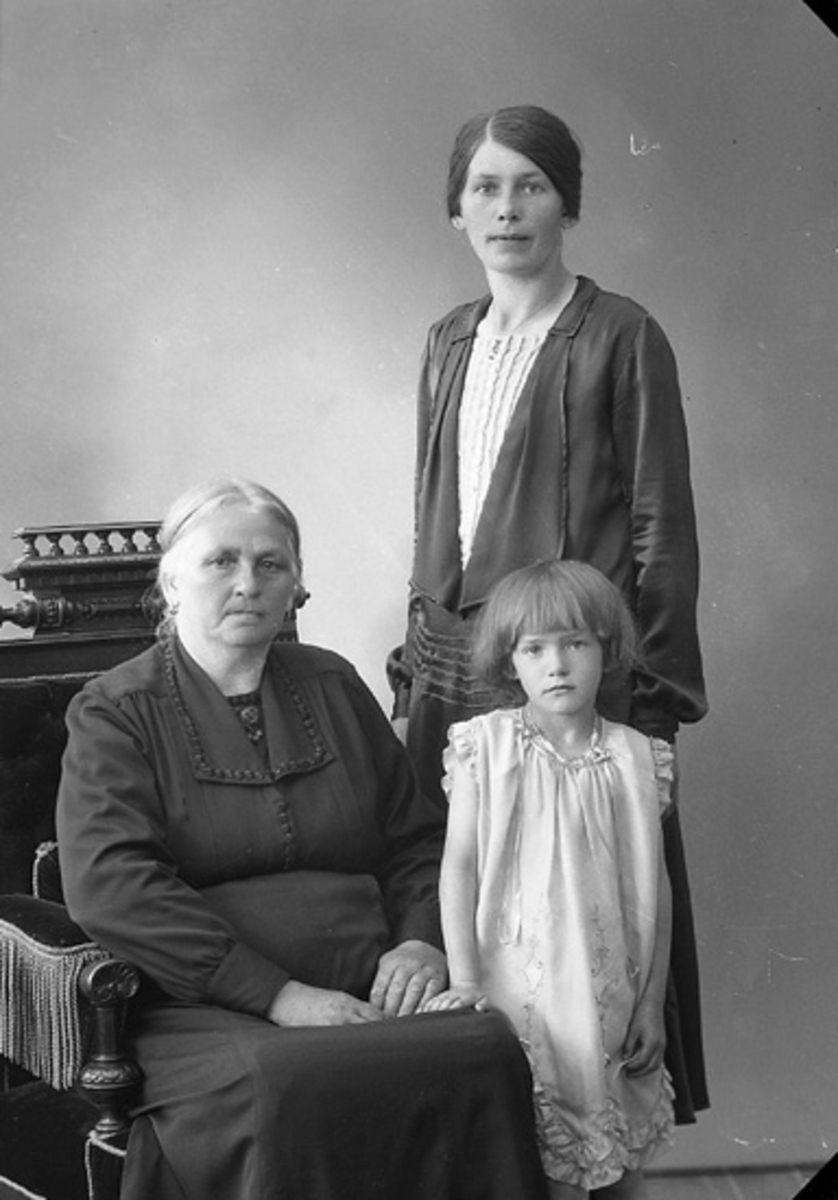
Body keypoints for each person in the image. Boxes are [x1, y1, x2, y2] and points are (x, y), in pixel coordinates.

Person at [57, 477, 549, 1200]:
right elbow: (112, 886)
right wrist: (279, 996)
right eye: (221, 561)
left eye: (271, 564)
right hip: (206, 1012)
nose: (248, 584)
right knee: (286, 1079)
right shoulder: (115, 713)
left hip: (375, 986)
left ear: (295, 585)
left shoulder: (332, 683)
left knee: (485, 1048)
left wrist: (420, 942)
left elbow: (416, 840)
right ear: (171, 582)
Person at [389, 103, 709, 1125]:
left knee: (581, 940)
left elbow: (661, 528)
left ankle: (594, 1152)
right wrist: (413, 672)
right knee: (466, 927)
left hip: (569, 682)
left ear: (566, 203)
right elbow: (433, 516)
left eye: (530, 185)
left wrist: (649, 698)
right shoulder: (448, 340)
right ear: (456, 210)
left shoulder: (620, 335)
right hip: (453, 674)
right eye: (485, 187)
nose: (507, 208)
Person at [422, 560, 675, 1198]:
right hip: (519, 993)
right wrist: (465, 979)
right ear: (511, 662)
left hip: (609, 995)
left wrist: (651, 1003)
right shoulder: (486, 747)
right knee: (547, 1168)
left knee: (620, 1168)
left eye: (575, 644)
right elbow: (459, 867)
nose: (556, 665)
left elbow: (656, 886)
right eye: (534, 649)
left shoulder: (637, 758)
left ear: (606, 650)